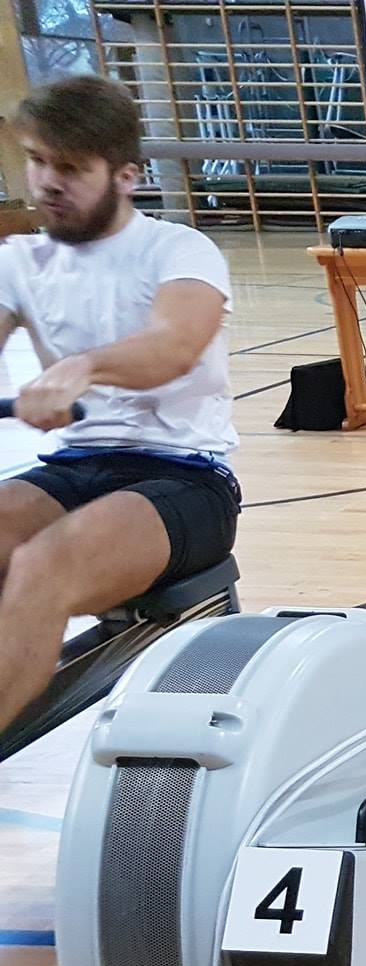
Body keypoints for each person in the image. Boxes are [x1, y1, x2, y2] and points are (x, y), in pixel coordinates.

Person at [0, 74, 238, 737]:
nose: (48, 182)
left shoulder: (178, 249)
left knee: (43, 564)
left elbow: (175, 345)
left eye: (71, 168)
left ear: (126, 175)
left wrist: (84, 367)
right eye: (38, 160)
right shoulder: (20, 261)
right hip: (74, 469)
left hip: (185, 480)